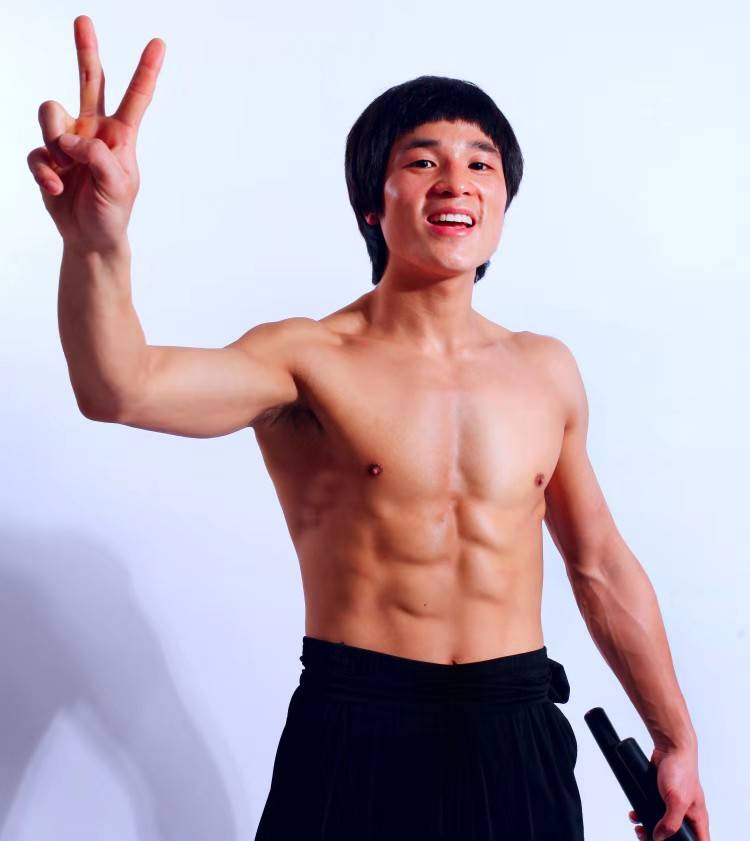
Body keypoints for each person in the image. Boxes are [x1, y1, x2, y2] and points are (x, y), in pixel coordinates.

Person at [29, 15, 711, 841]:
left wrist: (675, 736)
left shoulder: (546, 369)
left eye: (481, 164)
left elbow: (598, 562)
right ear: (369, 205)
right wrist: (96, 247)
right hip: (357, 727)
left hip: (516, 726)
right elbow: (120, 387)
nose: (456, 182)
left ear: (504, 201)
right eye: (422, 161)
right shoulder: (309, 358)